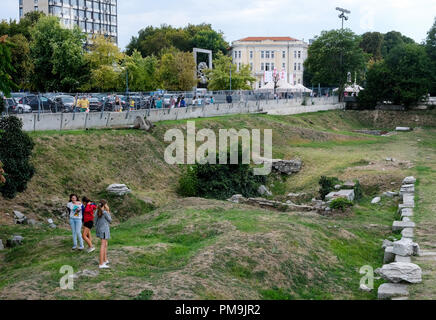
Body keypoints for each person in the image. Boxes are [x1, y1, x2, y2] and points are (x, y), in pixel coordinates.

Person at [95, 199, 112, 269]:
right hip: (104, 230)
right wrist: (108, 211)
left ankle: (105, 260)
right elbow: (110, 220)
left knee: (105, 244)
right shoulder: (104, 212)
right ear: (105, 205)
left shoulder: (96, 212)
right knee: (103, 245)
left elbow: (95, 222)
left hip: (99, 230)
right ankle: (101, 263)